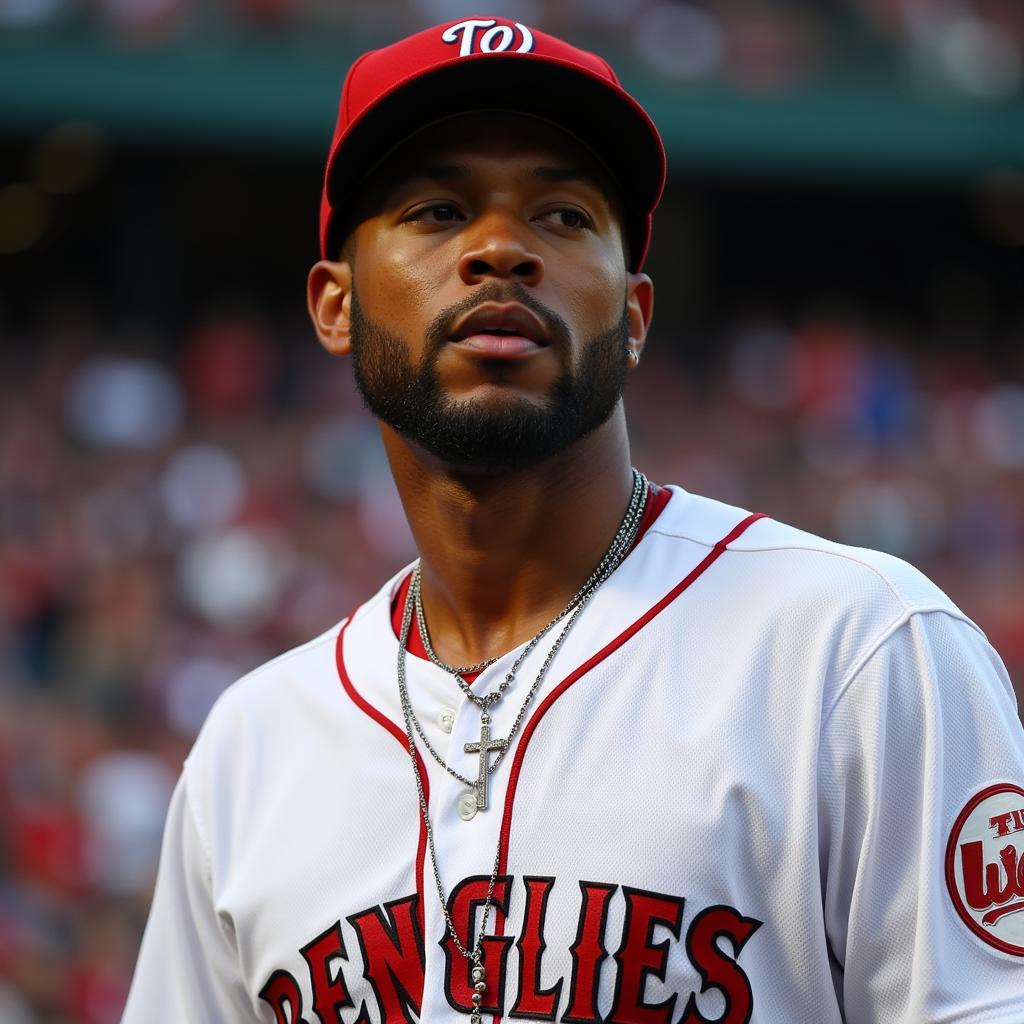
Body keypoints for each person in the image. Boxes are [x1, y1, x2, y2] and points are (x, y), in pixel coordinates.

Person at [123, 16, 1024, 1024]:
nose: (500, 248)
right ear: (335, 305)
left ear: (634, 315)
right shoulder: (252, 752)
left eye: (560, 215)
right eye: (434, 209)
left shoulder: (853, 652)